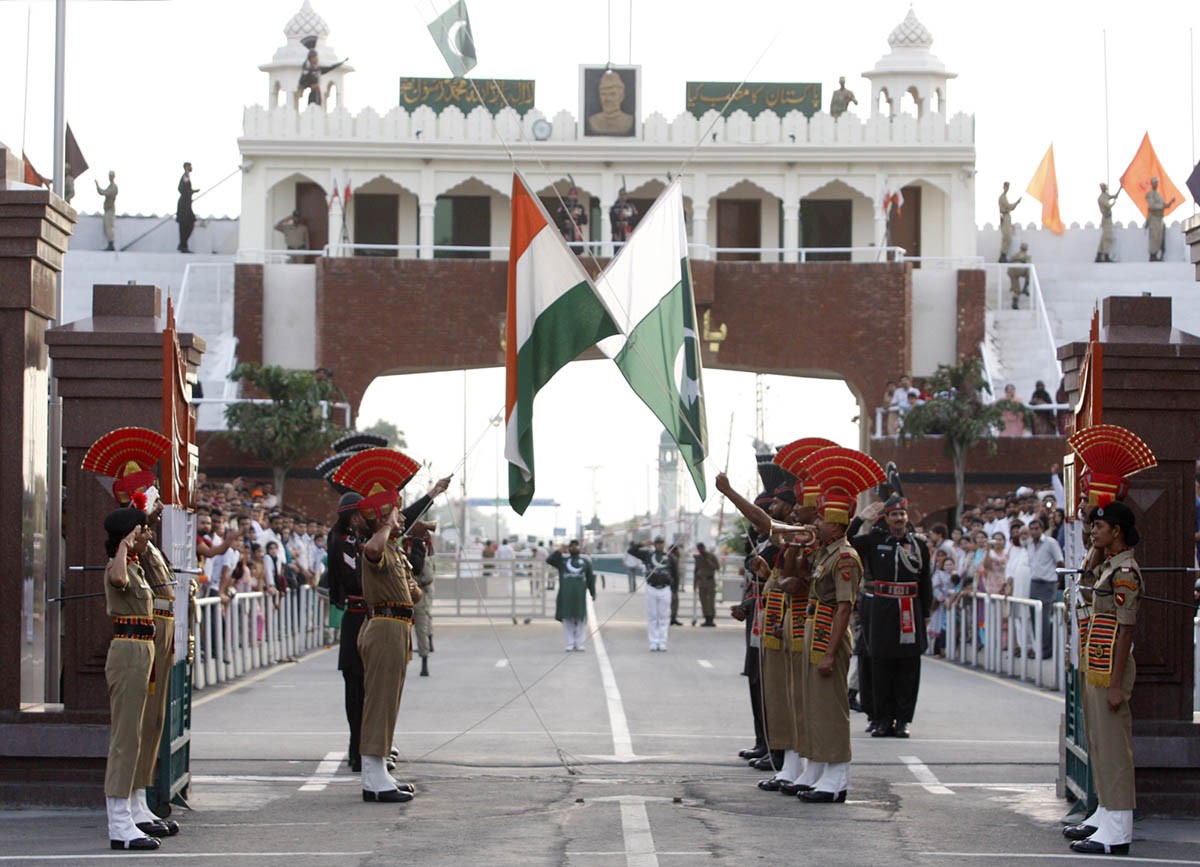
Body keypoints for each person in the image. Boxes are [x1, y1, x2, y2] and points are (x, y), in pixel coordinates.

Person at [792, 451, 874, 803]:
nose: (817, 522)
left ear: (838, 524)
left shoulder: (844, 557)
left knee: (831, 707)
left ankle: (838, 773)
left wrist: (828, 652)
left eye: (824, 518)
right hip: (816, 631)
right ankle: (820, 766)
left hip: (830, 636)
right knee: (815, 705)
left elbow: (843, 608)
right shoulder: (825, 552)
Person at [1063, 501, 1141, 855]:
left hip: (1112, 665)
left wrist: (1114, 685)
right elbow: (1085, 579)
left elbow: (1126, 630)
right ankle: (1106, 813)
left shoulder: (1125, 572)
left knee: (1113, 748)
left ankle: (1119, 829)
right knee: (1098, 742)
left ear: (1118, 531)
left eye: (1099, 527)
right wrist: (1094, 548)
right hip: (1097, 660)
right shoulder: (1108, 564)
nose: (1093, 531)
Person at [100, 505, 160, 850]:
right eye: (143, 531)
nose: (147, 536)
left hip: (142, 651)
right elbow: (118, 580)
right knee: (124, 737)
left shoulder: (137, 565)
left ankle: (132, 812)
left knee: (135, 734)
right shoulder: (118, 566)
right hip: (127, 652)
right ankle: (119, 822)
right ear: (128, 535)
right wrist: (123, 545)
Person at [849, 496, 931, 739]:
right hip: (882, 611)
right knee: (881, 665)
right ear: (886, 518)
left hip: (910, 609)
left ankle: (903, 720)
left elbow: (925, 581)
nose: (899, 519)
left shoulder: (918, 545)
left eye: (902, 515)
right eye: (894, 515)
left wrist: (925, 612)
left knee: (908, 666)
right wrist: (860, 519)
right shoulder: (875, 541)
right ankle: (882, 718)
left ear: (907, 518)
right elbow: (846, 541)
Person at [1022, 517, 1063, 659]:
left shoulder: (1050, 543)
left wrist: (1058, 580)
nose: (1034, 532)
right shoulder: (1029, 544)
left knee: (1044, 618)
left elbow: (1060, 562)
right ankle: (1037, 647)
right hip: (1034, 583)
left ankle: (1046, 650)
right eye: (1031, 529)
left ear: (1042, 529)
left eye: (1036, 529)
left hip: (1048, 583)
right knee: (1034, 616)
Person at [546, 540, 597, 651]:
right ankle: (569, 643)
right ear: (568, 548)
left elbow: (590, 579)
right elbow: (549, 560)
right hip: (565, 595)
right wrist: (560, 551)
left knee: (580, 619)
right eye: (571, 546)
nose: (574, 548)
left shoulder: (585, 562)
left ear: (579, 548)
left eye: (576, 546)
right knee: (567, 619)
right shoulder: (563, 562)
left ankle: (579, 643)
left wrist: (593, 592)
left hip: (579, 596)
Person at [629, 536, 676, 651]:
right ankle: (654, 642)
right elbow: (631, 551)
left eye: (661, 543)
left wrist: (674, 590)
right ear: (654, 544)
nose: (659, 545)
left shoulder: (669, 557)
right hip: (652, 588)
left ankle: (662, 641)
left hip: (665, 588)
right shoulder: (648, 555)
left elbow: (676, 574)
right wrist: (642, 544)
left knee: (664, 616)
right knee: (652, 616)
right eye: (657, 543)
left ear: (664, 544)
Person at [586, 70, 634, 135]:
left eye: (612, 94)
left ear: (621, 96)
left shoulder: (629, 121)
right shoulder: (592, 121)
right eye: (603, 94)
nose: (607, 99)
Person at [1145, 176, 1176, 262]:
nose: (1156, 184)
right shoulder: (1150, 194)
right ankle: (1152, 255)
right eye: (1155, 182)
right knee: (1154, 236)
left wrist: (1170, 202)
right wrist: (1162, 206)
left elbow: (1164, 205)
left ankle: (1156, 254)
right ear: (1152, 184)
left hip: (1159, 218)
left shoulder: (1158, 194)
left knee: (1158, 237)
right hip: (1153, 218)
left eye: (1157, 183)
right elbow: (1152, 206)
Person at [693, 542, 720, 626]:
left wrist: (709, 562)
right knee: (703, 601)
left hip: (710, 581)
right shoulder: (698, 558)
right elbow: (696, 571)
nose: (701, 550)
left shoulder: (711, 556)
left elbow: (717, 567)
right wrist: (695, 584)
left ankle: (711, 619)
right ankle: (706, 618)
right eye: (699, 548)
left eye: (702, 548)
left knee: (710, 601)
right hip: (701, 582)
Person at [1095, 183, 1120, 263]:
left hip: (1108, 218)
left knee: (1104, 237)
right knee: (1107, 237)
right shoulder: (1101, 198)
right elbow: (1108, 205)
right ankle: (1105, 255)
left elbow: (1113, 196)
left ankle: (1099, 255)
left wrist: (1120, 189)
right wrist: (1114, 203)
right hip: (1106, 218)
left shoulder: (1105, 195)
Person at [176, 162, 197, 253]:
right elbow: (181, 189)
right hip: (184, 206)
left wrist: (192, 192)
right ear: (186, 167)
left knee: (189, 223)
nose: (191, 167)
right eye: (189, 166)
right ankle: (183, 245)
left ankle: (183, 245)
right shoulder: (185, 176)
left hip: (186, 204)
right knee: (185, 225)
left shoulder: (187, 176)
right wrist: (190, 192)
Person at [998, 181, 1021, 262]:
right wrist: (1017, 203)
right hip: (1005, 217)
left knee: (1007, 238)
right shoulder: (1002, 197)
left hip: (1007, 217)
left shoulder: (1004, 196)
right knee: (1007, 238)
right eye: (1006, 187)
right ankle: (1002, 256)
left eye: (1008, 187)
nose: (1007, 188)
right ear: (1004, 187)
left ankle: (1003, 256)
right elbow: (1010, 207)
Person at [96, 170, 118, 251]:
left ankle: (111, 244)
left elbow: (104, 192)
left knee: (109, 227)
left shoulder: (114, 187)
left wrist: (97, 186)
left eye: (111, 175)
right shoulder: (110, 186)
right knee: (106, 227)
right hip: (107, 210)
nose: (110, 177)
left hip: (110, 210)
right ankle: (109, 243)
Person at [1007, 242, 1031, 309]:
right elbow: (1028, 266)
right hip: (1020, 270)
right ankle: (1025, 287)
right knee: (1030, 270)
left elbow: (1009, 261)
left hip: (1011, 271)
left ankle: (1014, 303)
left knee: (1016, 289)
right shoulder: (1026, 256)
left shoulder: (1015, 255)